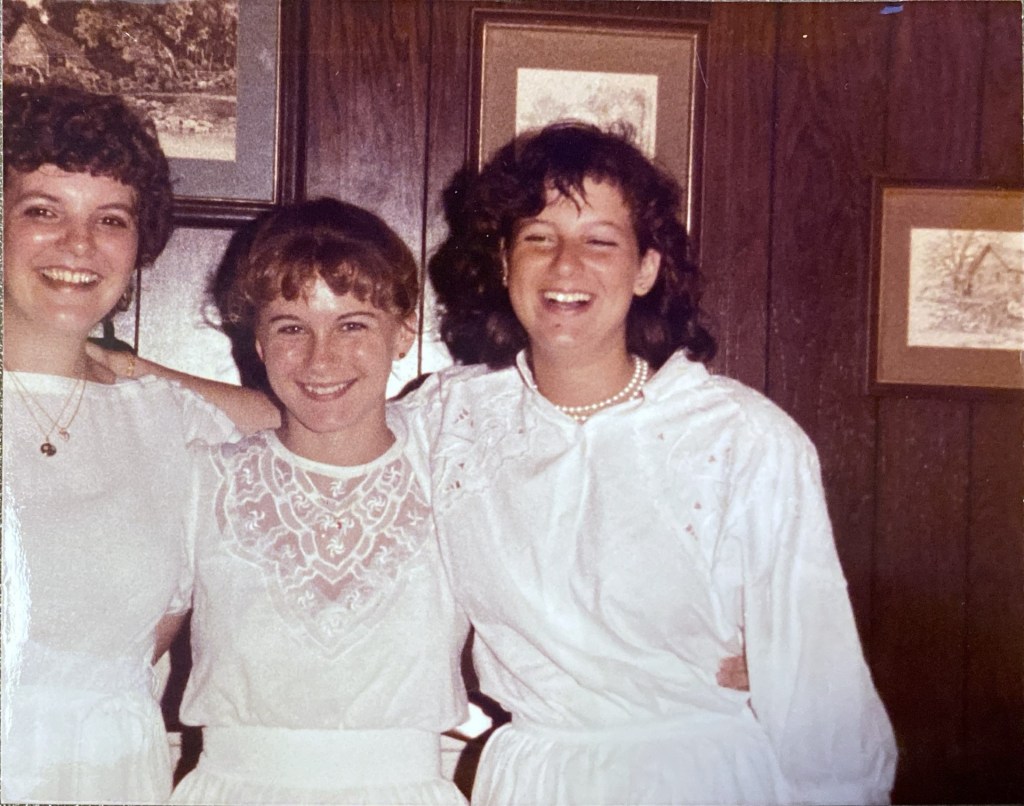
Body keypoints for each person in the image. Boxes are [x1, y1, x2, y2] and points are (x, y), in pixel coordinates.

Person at [400, 121, 898, 805]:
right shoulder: (449, 419)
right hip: (535, 780)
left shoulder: (741, 438)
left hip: (700, 779)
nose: (566, 265)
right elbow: (316, 437)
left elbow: (820, 695)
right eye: (539, 237)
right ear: (505, 262)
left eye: (600, 241)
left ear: (645, 269)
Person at [168, 198, 471, 805]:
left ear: (404, 331)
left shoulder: (453, 471)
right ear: (257, 340)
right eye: (291, 327)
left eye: (352, 325)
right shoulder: (203, 481)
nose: (320, 358)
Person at [1, 82, 242, 803]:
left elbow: (304, 420)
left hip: (112, 776)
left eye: (111, 219)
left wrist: (125, 365)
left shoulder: (168, 421)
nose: (79, 244)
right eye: (43, 210)